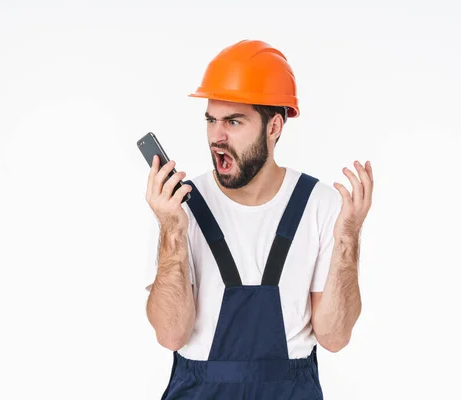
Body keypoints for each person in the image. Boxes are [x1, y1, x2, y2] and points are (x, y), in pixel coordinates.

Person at [143, 39, 373, 399]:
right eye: (211, 120)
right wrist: (171, 230)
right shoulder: (180, 206)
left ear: (274, 126)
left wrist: (349, 238)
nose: (217, 137)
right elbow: (170, 335)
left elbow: (334, 337)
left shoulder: (320, 206)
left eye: (234, 121)